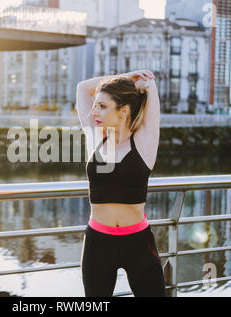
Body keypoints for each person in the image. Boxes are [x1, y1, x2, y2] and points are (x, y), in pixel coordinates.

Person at [76, 69, 165, 297]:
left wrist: (145, 84)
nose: (94, 111)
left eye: (103, 106)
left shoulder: (144, 143)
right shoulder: (96, 138)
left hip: (138, 243)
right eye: (95, 105)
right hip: (98, 242)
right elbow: (82, 88)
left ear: (123, 110)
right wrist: (127, 77)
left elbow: (151, 87)